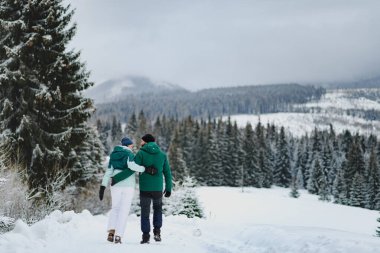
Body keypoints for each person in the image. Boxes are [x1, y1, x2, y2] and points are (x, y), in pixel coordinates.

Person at [111, 133, 172, 244]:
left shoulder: (141, 153)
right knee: (158, 209)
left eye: (142, 141)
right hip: (158, 188)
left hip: (145, 188)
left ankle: (145, 236)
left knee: (145, 212)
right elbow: (167, 173)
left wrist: (117, 178)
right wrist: (168, 188)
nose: (140, 143)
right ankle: (157, 232)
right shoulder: (162, 155)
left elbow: (131, 169)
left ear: (146, 142)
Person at [99, 137, 145, 244]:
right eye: (131, 145)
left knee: (115, 208)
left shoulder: (113, 155)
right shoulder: (129, 153)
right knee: (124, 210)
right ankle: (118, 235)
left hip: (115, 185)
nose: (132, 147)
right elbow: (131, 166)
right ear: (128, 145)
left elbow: (109, 171)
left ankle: (111, 232)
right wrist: (143, 168)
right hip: (128, 185)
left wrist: (103, 186)